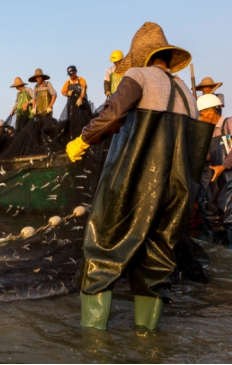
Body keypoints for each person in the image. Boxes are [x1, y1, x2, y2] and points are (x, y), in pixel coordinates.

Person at [66, 22, 212, 331]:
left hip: (135, 180)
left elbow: (113, 114)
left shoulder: (137, 75)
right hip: (177, 190)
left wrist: (82, 140)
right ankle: (147, 344)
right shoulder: (186, 92)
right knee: (156, 263)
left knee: (101, 250)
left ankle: (92, 346)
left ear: (140, 57)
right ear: (167, 58)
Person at [196, 94, 232, 247]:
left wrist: (224, 166)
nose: (201, 118)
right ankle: (217, 241)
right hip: (215, 174)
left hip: (229, 173)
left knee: (230, 207)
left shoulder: (228, 124)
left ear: (212, 111)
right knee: (211, 205)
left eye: (202, 114)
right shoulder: (208, 131)